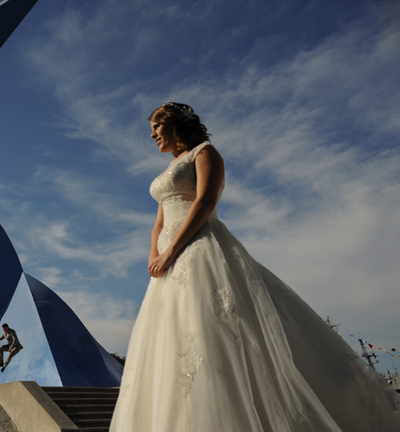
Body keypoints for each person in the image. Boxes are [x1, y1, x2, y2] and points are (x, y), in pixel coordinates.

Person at [110, 103, 399, 431]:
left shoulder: (205, 153)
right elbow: (158, 222)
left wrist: (173, 250)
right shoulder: (168, 170)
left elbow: (205, 203)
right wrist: (155, 255)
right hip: (165, 265)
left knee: (212, 327)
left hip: (199, 249)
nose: (152, 136)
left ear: (175, 126)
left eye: (156, 129)